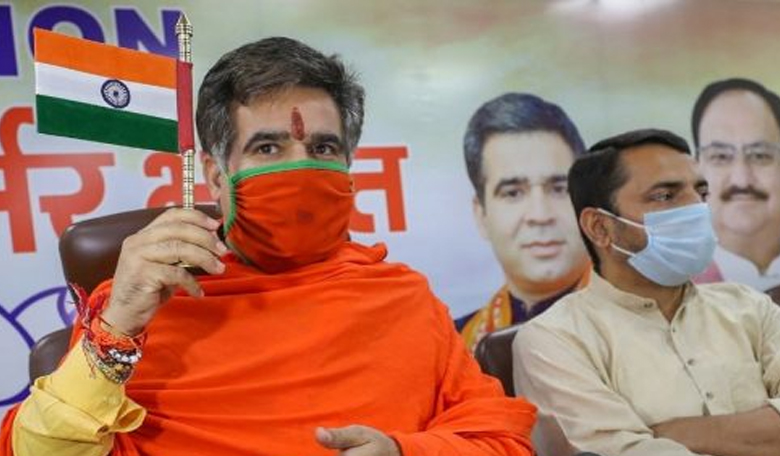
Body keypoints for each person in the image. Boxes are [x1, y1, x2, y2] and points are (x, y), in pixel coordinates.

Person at [2, 37, 536, 456]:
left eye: (322, 147)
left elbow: (499, 442)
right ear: (216, 175)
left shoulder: (403, 300)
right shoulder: (139, 304)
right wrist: (117, 326)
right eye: (267, 147)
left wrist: (403, 450)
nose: (299, 167)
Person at [513, 129, 780, 456]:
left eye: (701, 193)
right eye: (665, 196)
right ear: (600, 227)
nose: (696, 209)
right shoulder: (555, 340)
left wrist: (674, 432)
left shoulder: (750, 307)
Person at [457, 93, 591, 352]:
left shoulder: (644, 321)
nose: (540, 215)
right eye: (513, 193)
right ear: (481, 215)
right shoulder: (455, 346)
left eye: (559, 189)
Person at [692, 78, 780, 292]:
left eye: (759, 155)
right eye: (720, 156)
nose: (741, 179)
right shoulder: (662, 292)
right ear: (695, 170)